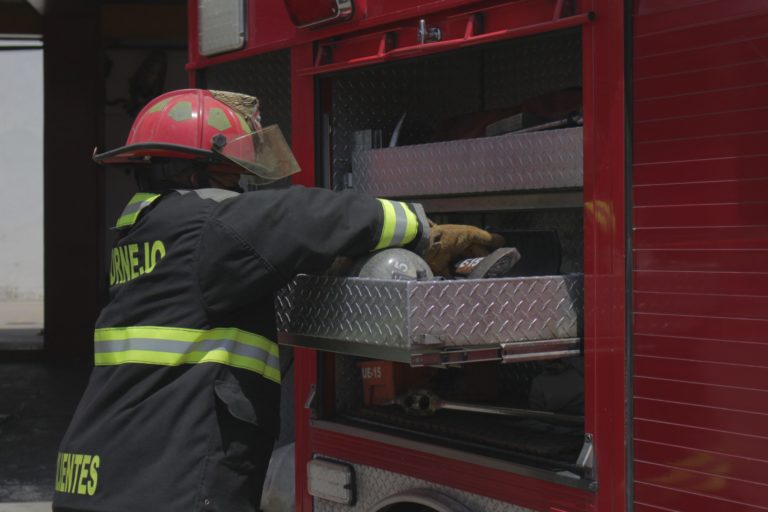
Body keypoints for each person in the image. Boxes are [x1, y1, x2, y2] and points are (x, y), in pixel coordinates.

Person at [53, 89, 503, 512]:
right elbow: (309, 214)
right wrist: (422, 230)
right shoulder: (206, 227)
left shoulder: (151, 232)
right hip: (165, 486)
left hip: (104, 473)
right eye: (233, 171)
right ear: (194, 171)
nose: (242, 184)